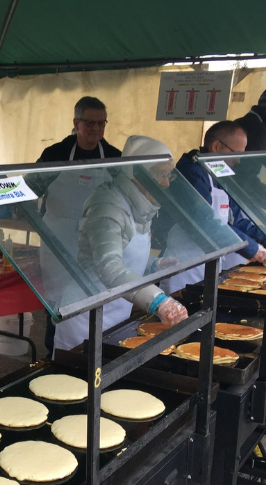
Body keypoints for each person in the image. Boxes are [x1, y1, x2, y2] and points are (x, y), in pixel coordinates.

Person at [54, 136, 188, 352]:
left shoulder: (140, 204)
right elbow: (108, 266)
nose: (166, 183)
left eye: (168, 174)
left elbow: (126, 254)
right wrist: (158, 301)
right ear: (135, 173)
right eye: (160, 174)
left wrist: (154, 264)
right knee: (78, 379)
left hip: (117, 309)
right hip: (86, 314)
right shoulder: (108, 207)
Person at [36, 97, 121, 356]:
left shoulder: (116, 158)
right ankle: (53, 353)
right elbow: (32, 188)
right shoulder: (56, 154)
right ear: (76, 123)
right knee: (57, 298)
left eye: (101, 123)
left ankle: (94, 353)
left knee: (95, 295)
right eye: (89, 122)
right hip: (58, 239)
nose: (96, 128)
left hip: (97, 239)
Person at [161, 121, 266, 295]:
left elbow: (237, 218)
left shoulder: (218, 170)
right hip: (185, 265)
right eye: (236, 153)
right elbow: (205, 220)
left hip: (211, 263)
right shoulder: (190, 173)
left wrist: (262, 239)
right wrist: (252, 249)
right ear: (216, 146)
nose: (239, 160)